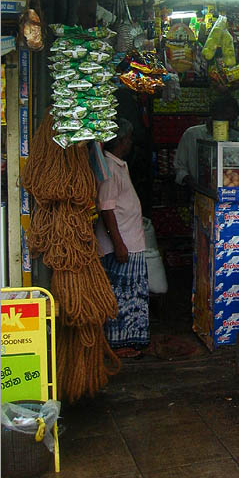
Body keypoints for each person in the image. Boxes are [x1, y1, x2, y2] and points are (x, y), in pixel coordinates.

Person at [95, 118, 149, 359]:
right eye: (128, 138)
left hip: (130, 242)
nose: (130, 143)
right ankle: (119, 344)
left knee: (133, 295)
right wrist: (118, 244)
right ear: (121, 140)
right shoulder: (107, 167)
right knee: (122, 296)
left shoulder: (117, 165)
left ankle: (131, 340)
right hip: (122, 244)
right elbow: (106, 208)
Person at [174, 95, 239, 188]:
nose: (228, 123)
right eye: (224, 118)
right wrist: (193, 184)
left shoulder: (236, 137)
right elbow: (180, 167)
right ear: (214, 115)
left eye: (231, 120)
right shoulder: (192, 134)